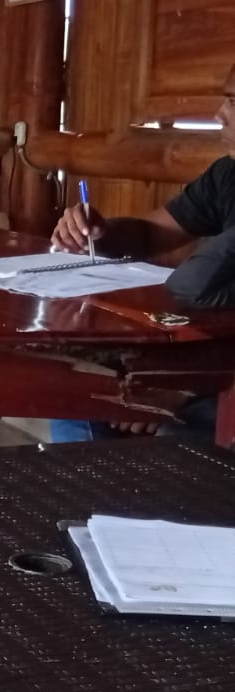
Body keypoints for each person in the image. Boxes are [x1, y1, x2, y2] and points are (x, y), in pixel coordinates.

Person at [49, 61, 235, 442]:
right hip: (206, 361)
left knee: (169, 436)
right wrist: (101, 232)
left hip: (219, 383)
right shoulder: (227, 176)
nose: (220, 115)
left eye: (233, 102)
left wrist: (184, 389)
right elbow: (152, 233)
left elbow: (193, 284)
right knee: (76, 405)